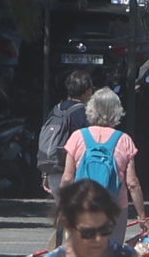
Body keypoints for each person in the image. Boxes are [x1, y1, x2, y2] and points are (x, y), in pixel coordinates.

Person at [59, 86, 141, 233]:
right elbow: (132, 183)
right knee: (111, 252)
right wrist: (142, 216)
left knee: (82, 252)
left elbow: (67, 178)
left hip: (82, 206)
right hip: (114, 207)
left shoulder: (77, 137)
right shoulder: (124, 140)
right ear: (117, 111)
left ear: (91, 108)